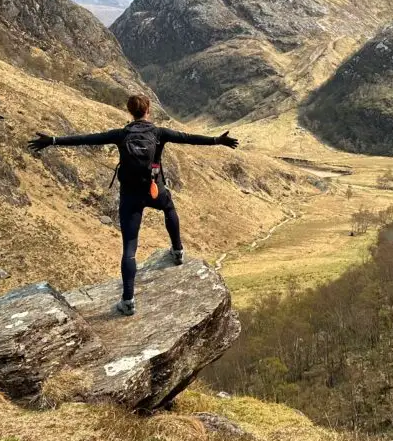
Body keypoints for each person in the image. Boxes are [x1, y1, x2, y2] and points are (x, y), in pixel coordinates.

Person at [27, 95, 239, 316]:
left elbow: (86, 138)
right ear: (148, 110)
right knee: (169, 209)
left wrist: (52, 140)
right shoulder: (159, 133)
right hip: (155, 189)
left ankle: (128, 301)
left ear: (129, 111)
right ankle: (177, 251)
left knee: (129, 247)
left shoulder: (121, 135)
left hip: (130, 196)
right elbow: (188, 138)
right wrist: (217, 140)